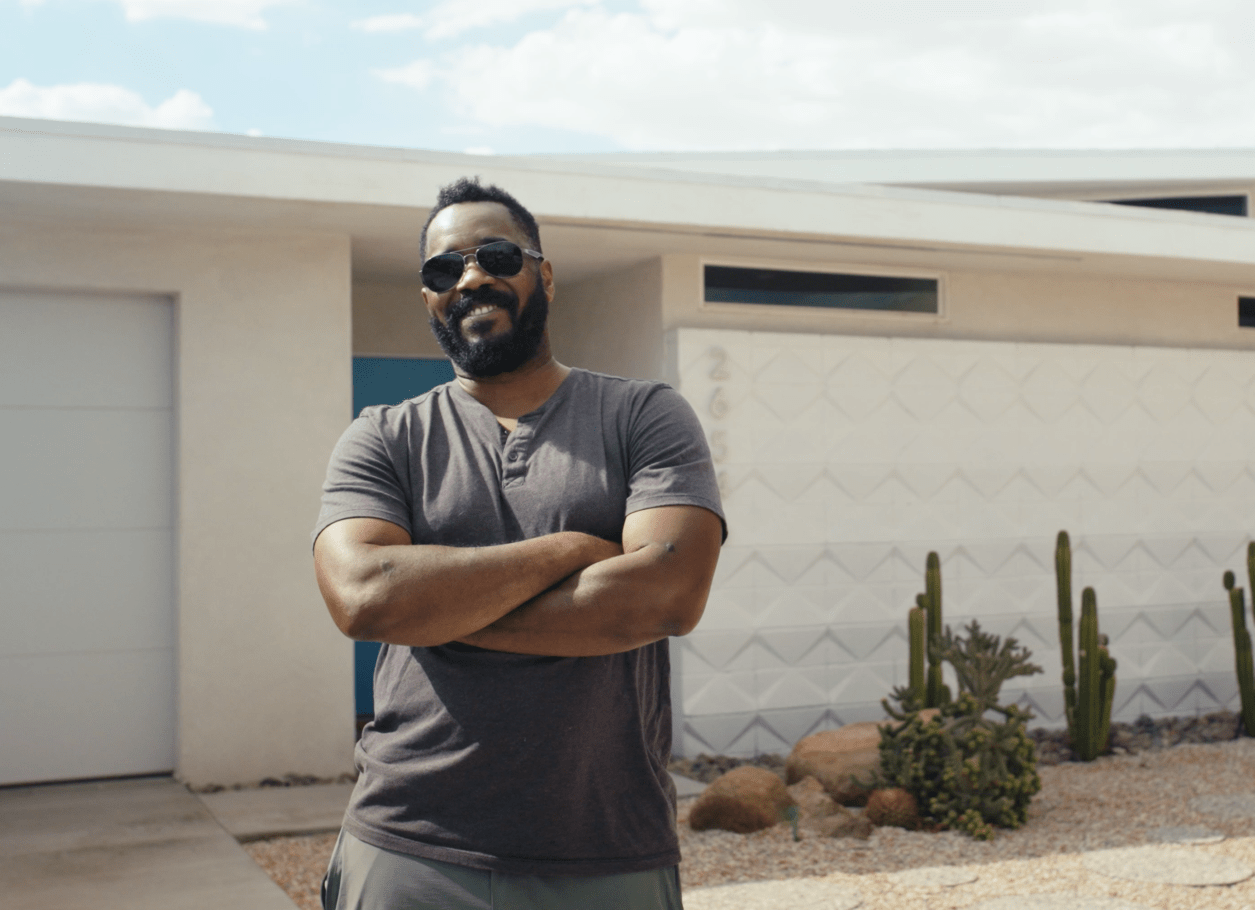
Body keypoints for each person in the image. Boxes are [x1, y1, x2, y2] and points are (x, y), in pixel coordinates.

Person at [312, 176, 725, 910]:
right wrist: (569, 549)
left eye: (496, 255)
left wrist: (438, 613)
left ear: (544, 274)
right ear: (429, 297)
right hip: (408, 842)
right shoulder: (382, 436)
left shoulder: (643, 416)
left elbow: (661, 596)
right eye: (445, 269)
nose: (471, 277)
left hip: (604, 848)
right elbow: (365, 597)